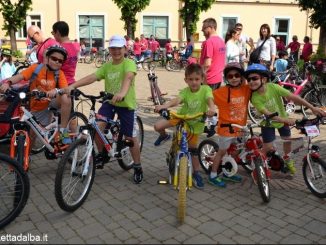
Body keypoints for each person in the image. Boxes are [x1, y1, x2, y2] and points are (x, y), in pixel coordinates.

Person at [63, 35, 143, 184]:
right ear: (109, 49)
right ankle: (102, 154)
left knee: (130, 138)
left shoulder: (129, 63)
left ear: (125, 49)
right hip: (110, 102)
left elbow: (128, 78)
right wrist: (73, 86)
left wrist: (122, 93)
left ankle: (137, 165)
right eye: (113, 48)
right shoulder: (107, 65)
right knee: (96, 127)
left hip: (126, 104)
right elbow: (92, 77)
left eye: (119, 48)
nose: (116, 51)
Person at [245, 63, 326, 175]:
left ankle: (287, 158)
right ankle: (254, 160)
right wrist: (286, 120)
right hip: (268, 123)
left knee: (287, 140)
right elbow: (268, 114)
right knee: (267, 148)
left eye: (254, 78)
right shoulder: (255, 98)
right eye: (248, 79)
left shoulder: (273, 87)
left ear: (263, 79)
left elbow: (293, 97)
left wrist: (312, 108)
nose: (251, 81)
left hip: (283, 120)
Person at [153, 63, 215, 189]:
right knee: (157, 126)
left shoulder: (206, 89)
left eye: (197, 79)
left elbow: (209, 100)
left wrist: (212, 109)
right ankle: (164, 136)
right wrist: (165, 106)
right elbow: (177, 100)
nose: (194, 82)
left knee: (193, 151)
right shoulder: (185, 91)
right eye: (190, 79)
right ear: (186, 80)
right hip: (181, 118)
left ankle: (196, 173)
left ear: (202, 79)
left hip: (195, 123)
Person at [0, 45, 72, 145]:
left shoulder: (59, 73)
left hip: (51, 102)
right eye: (54, 58)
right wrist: (8, 83)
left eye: (60, 61)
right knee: (32, 137)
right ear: (47, 58)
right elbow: (20, 76)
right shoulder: (36, 68)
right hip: (36, 107)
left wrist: (56, 90)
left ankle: (63, 131)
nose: (57, 62)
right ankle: (25, 158)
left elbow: (65, 89)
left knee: (66, 97)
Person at [208, 62, 251, 187]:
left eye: (237, 75)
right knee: (221, 152)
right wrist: (210, 109)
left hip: (241, 128)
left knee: (237, 151)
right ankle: (213, 175)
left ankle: (228, 171)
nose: (233, 78)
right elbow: (208, 96)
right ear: (226, 78)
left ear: (241, 76)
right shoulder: (222, 91)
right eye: (230, 76)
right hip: (226, 129)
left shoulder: (246, 89)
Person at [200, 18, 226, 136]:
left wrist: (202, 78)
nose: (202, 31)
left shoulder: (209, 42)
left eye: (204, 28)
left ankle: (212, 124)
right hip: (218, 77)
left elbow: (207, 63)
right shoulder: (221, 41)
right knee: (211, 102)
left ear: (210, 28)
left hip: (209, 77)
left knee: (205, 102)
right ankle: (210, 125)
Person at [51, 21, 80, 86]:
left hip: (61, 84)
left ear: (57, 32)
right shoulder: (74, 47)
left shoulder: (59, 49)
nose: (53, 36)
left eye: (53, 33)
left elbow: (53, 68)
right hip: (71, 82)